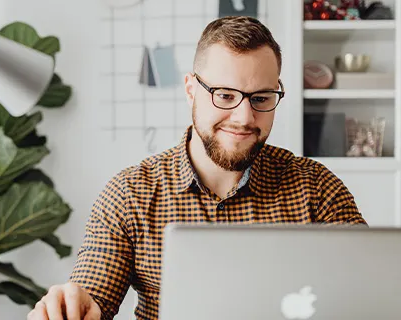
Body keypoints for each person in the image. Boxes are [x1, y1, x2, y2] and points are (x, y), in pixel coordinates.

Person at [26, 15, 367, 320]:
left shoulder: (318, 189)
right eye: (224, 95)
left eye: (261, 98)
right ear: (191, 90)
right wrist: (71, 307)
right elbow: (92, 295)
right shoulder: (131, 194)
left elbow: (372, 290)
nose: (244, 118)